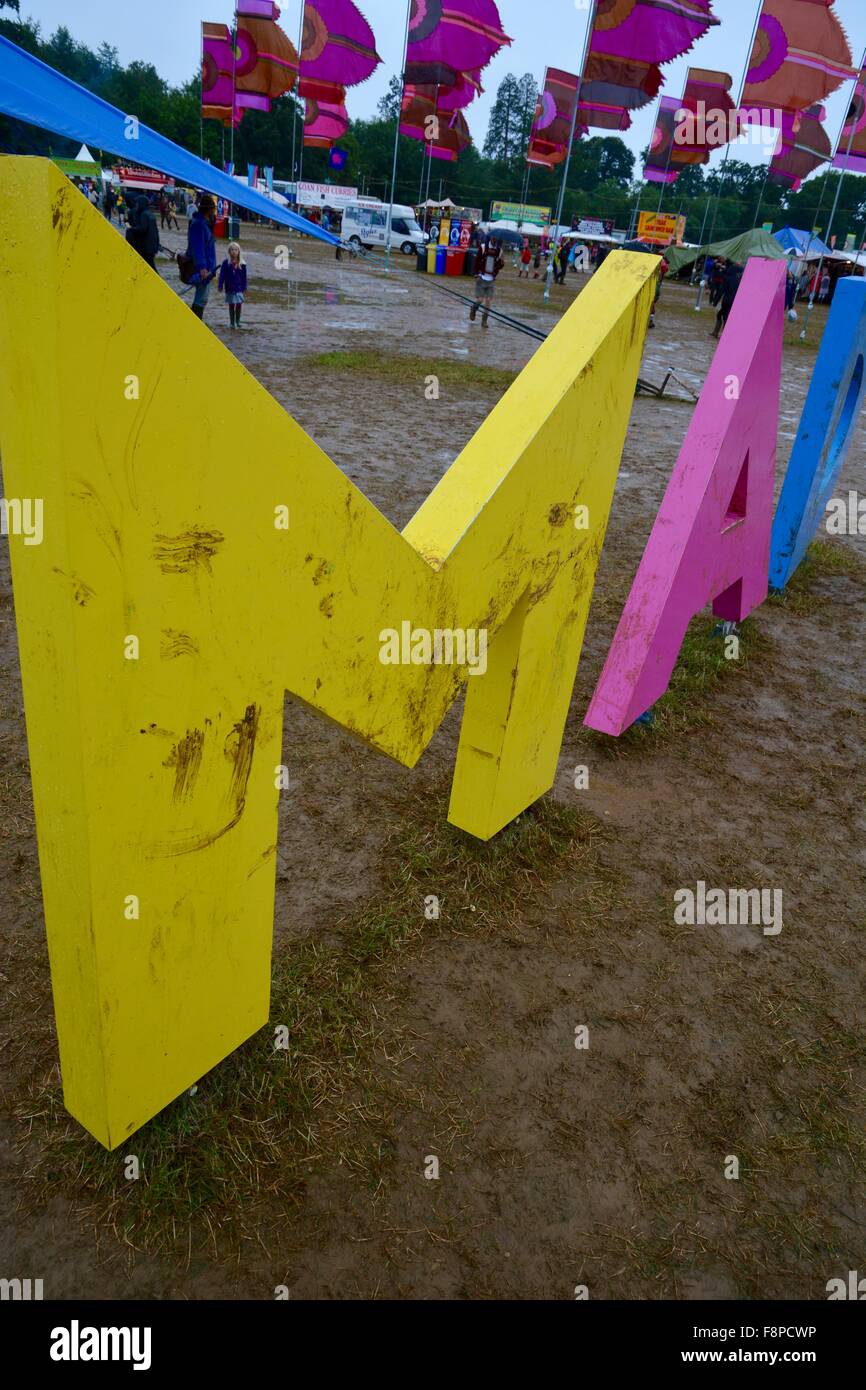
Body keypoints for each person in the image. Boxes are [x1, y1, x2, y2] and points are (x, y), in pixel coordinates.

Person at [187, 194, 218, 319]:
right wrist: (202, 267)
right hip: (202, 269)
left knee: (202, 298)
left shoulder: (202, 223)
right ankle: (194, 323)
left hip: (206, 268)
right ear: (209, 210)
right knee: (201, 299)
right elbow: (198, 248)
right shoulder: (199, 225)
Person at [469, 236, 504, 328]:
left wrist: (501, 262)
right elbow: (476, 261)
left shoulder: (499, 251)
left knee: (488, 302)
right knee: (480, 299)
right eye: (493, 239)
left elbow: (499, 266)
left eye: (496, 239)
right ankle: (473, 308)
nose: (494, 240)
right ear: (490, 238)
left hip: (491, 280)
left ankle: (484, 321)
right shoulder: (483, 247)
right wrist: (476, 274)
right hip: (481, 277)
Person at [125, 193, 159, 270]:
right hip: (152, 245)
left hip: (146, 246)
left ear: (141, 204)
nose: (136, 205)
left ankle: (157, 281)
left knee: (150, 267)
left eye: (137, 203)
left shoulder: (144, 214)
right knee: (149, 266)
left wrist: (131, 228)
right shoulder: (150, 213)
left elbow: (143, 229)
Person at [218, 241, 248, 329]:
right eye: (232, 250)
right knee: (231, 304)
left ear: (239, 251)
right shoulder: (226, 263)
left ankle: (238, 321)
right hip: (229, 287)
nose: (234, 252)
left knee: (239, 304)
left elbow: (244, 277)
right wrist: (220, 285)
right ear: (229, 251)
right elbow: (222, 275)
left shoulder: (242, 263)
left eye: (235, 250)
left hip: (239, 288)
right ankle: (232, 322)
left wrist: (244, 287)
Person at [711, 259, 743, 339]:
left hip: (727, 301)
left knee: (725, 317)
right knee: (721, 315)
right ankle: (716, 333)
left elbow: (721, 291)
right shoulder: (741, 280)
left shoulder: (728, 279)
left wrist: (715, 301)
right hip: (736, 302)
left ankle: (723, 335)